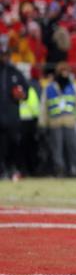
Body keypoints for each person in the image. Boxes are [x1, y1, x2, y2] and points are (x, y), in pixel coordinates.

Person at [41, 62, 76, 177]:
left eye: (66, 70)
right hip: (55, 121)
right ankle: (59, 170)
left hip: (69, 120)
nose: (64, 73)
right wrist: (43, 123)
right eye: (62, 71)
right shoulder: (49, 87)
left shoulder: (73, 86)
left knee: (73, 146)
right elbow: (44, 106)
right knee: (57, 148)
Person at [0, 50, 29, 179]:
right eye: (3, 55)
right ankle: (2, 169)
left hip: (12, 116)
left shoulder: (15, 72)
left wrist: (23, 95)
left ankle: (12, 168)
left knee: (13, 143)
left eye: (7, 55)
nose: (5, 57)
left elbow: (25, 90)